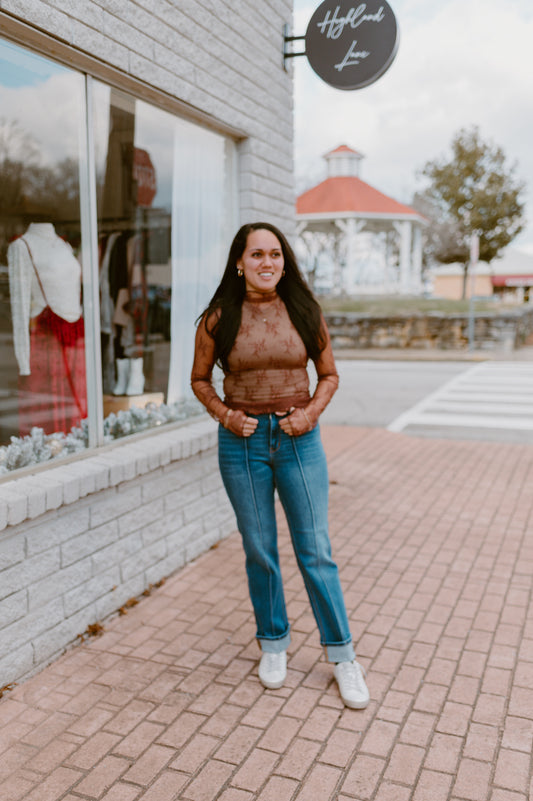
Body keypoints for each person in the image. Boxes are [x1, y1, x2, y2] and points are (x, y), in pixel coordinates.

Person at [191, 222, 369, 709]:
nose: (266, 262)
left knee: (315, 550)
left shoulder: (305, 311)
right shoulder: (217, 318)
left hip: (299, 442)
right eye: (256, 255)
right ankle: (273, 644)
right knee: (260, 550)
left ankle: (343, 656)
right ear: (239, 262)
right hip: (242, 445)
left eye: (274, 254)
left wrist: (309, 413)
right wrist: (226, 415)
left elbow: (329, 375)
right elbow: (200, 381)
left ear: (284, 262)